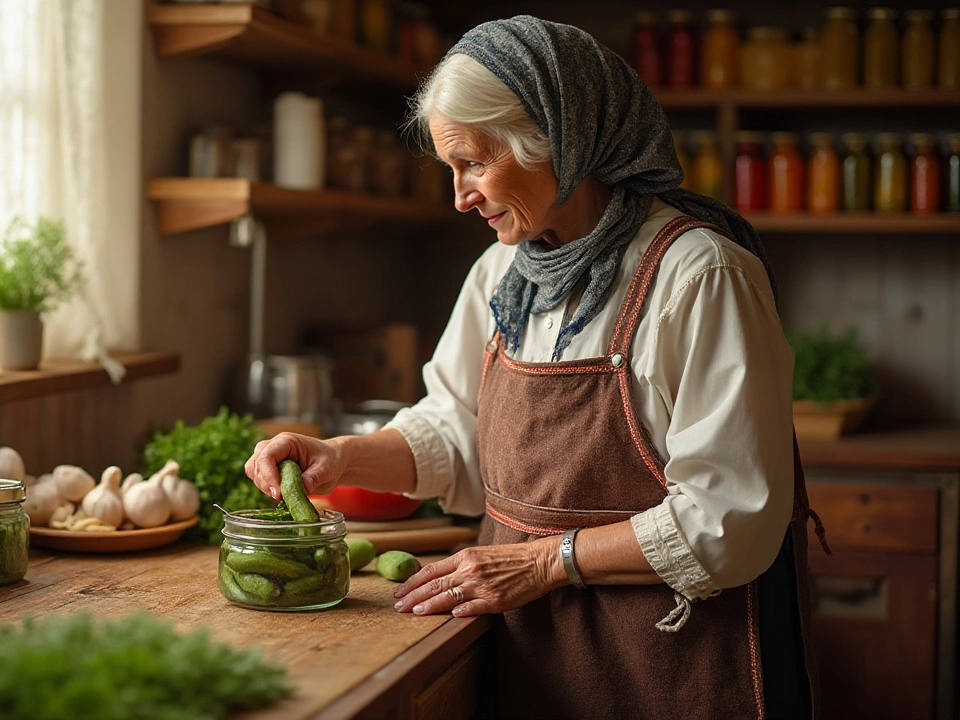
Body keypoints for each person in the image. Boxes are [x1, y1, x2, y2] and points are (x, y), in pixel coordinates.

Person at [245, 16, 826, 720]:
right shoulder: (502, 274)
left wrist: (544, 562)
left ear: (560, 137)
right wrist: (341, 458)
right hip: (532, 652)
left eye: (473, 162)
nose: (460, 196)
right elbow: (460, 434)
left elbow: (731, 518)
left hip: (674, 668)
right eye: (450, 168)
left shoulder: (697, 277)